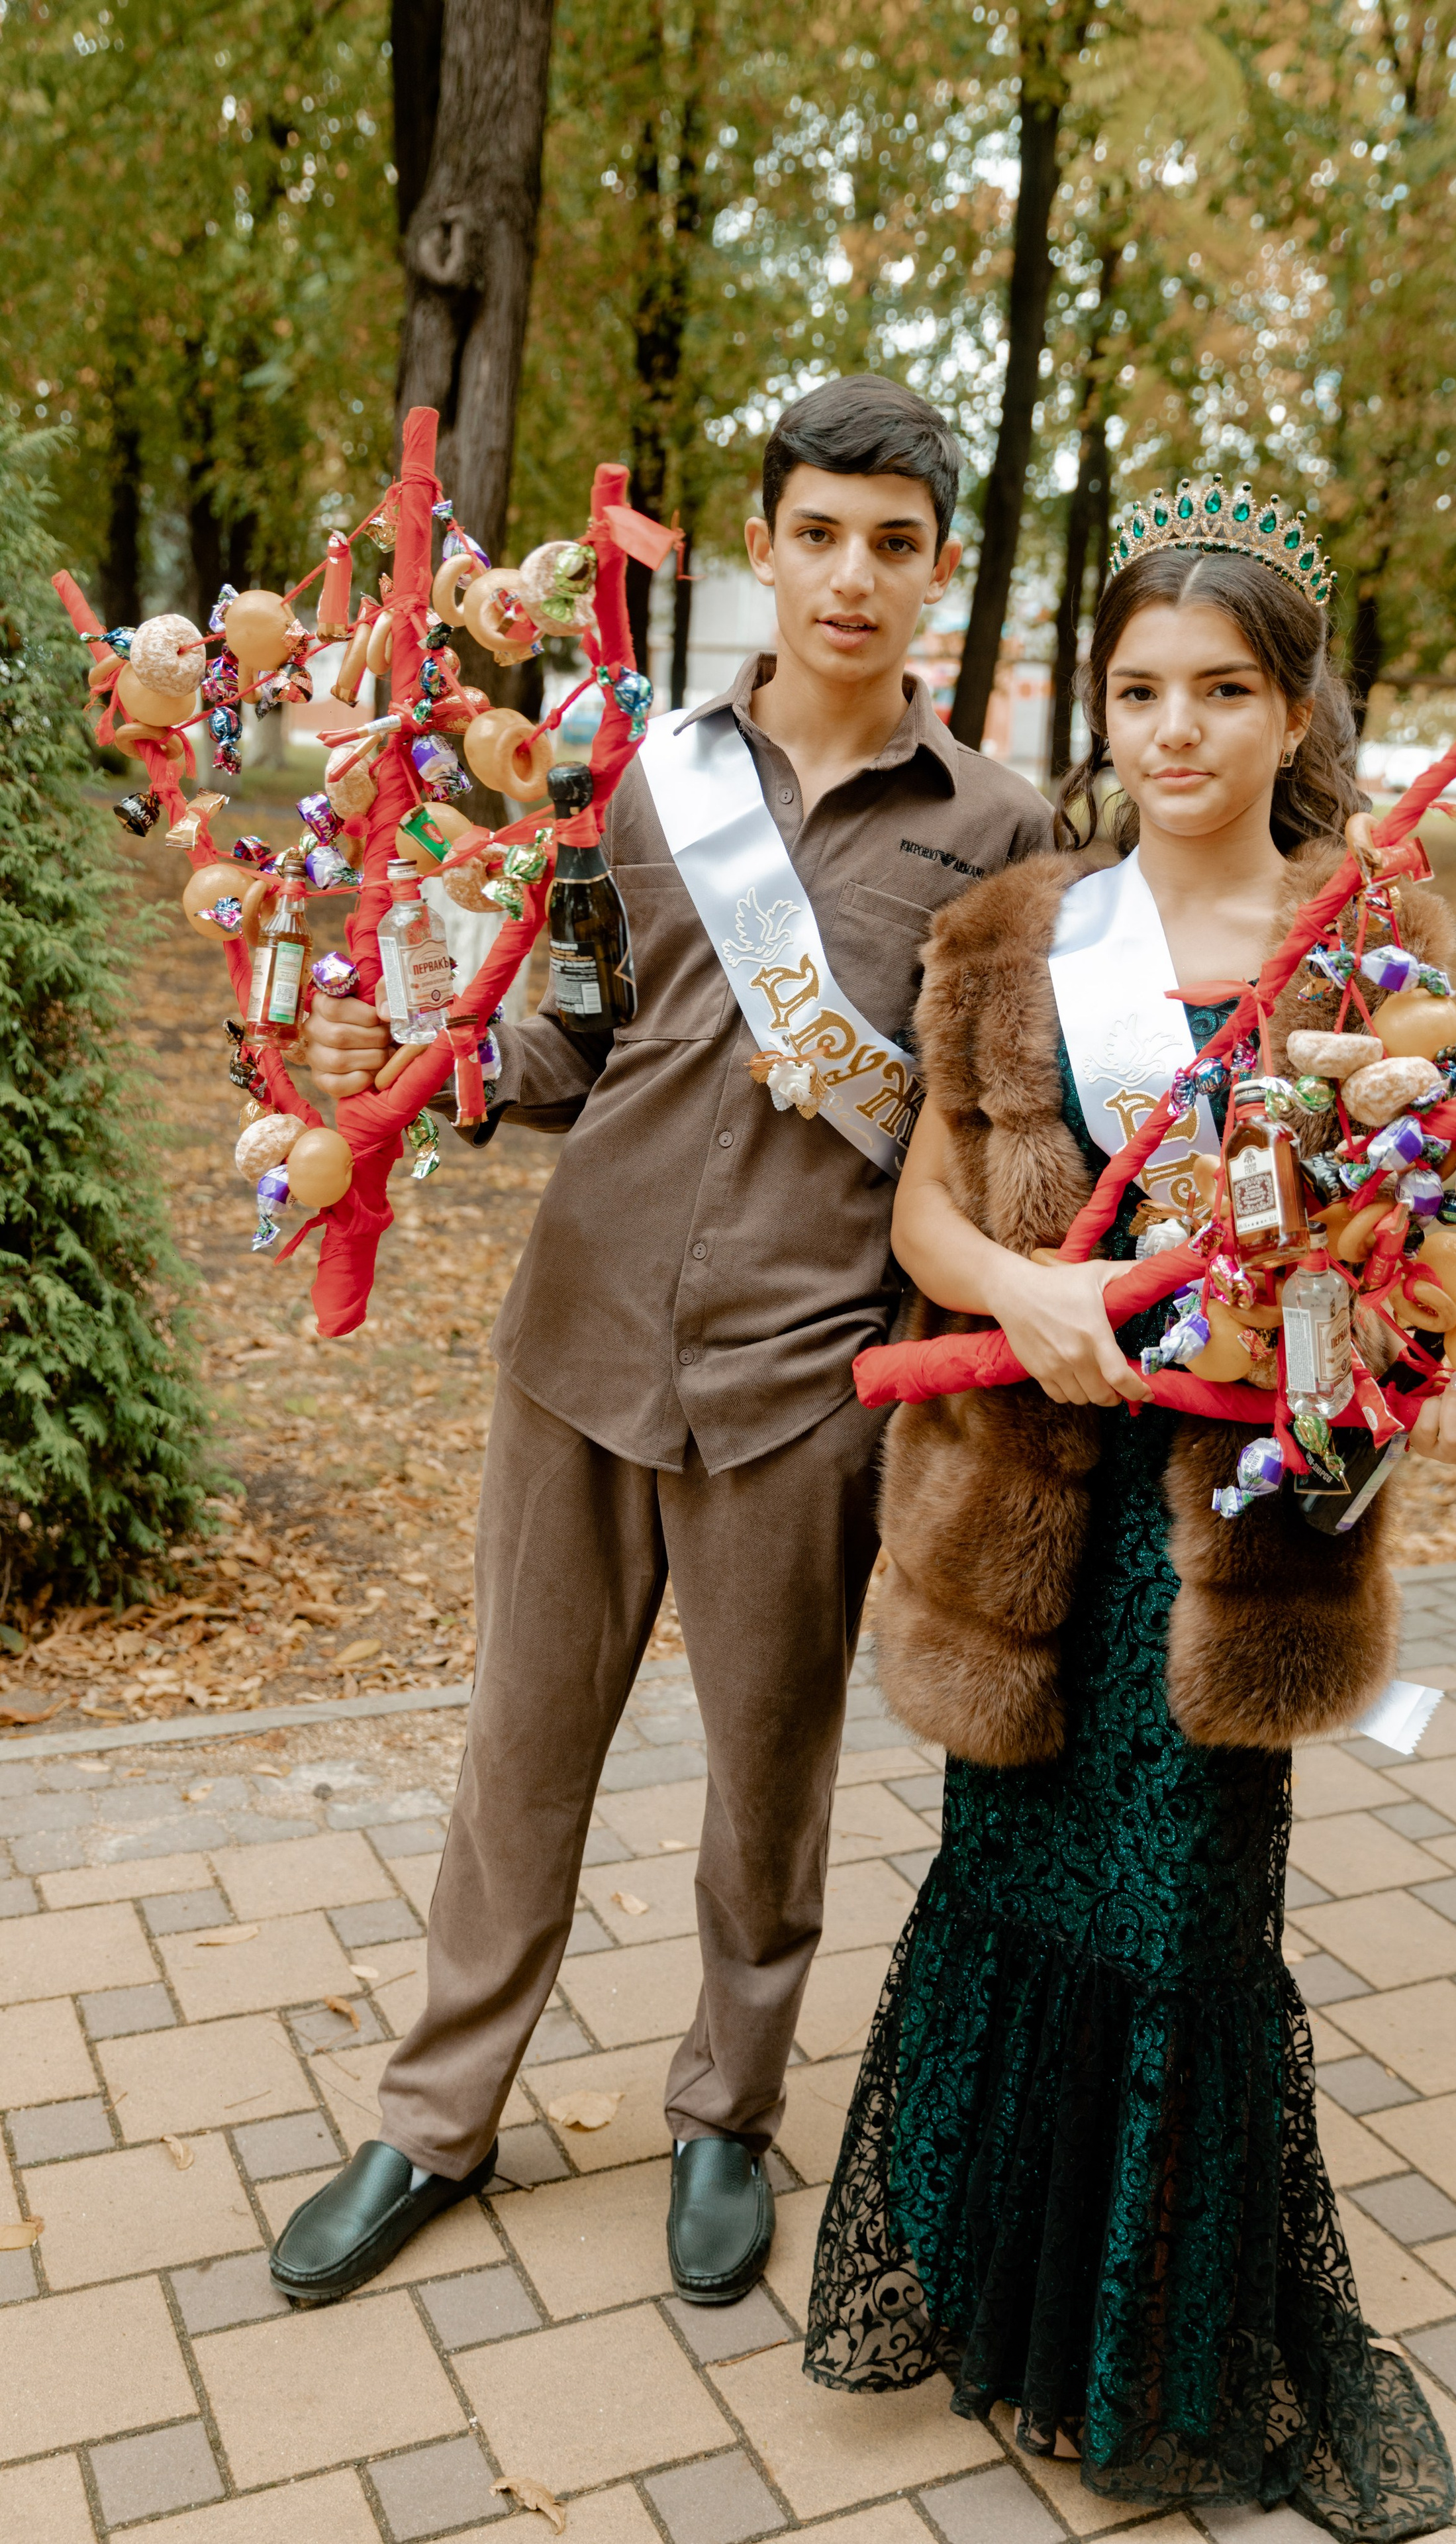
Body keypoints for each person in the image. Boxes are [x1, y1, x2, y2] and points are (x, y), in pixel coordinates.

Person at [267, 377, 1054, 2311]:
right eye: (818, 534)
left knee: (768, 1780)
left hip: (805, 1379)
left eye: (893, 544)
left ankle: (726, 2109)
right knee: (518, 1755)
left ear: (940, 571)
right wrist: (426, 1059)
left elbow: (1001, 1124)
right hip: (582, 1337)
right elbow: (570, 1030)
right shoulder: (648, 778)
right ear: (763, 547)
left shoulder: (1004, 831)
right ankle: (435, 2116)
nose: (851, 576)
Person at [803, 494, 1456, 2537]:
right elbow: (926, 1211)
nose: (1176, 731)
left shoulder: (1369, 949)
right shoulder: (1018, 938)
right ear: (1102, 708)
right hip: (1033, 1503)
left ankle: (1150, 2349)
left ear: (1294, 710)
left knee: (1185, 1910)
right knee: (1015, 1871)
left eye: (1222, 690)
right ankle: (1009, 2303)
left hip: (1232, 1523)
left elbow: (1433, 1239)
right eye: (1139, 691)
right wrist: (1021, 1289)